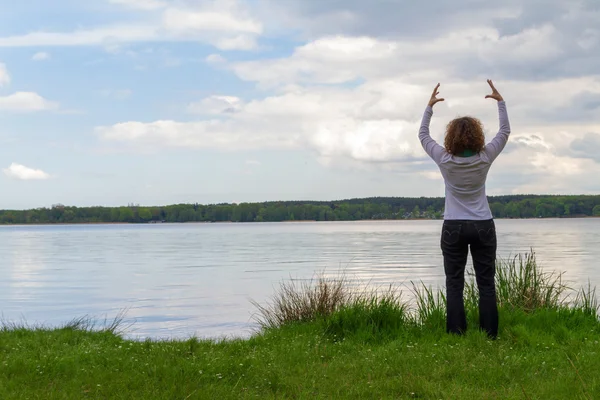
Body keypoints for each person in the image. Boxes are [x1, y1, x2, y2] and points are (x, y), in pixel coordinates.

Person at [418, 80, 510, 339]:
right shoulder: (485, 157)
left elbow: (423, 136)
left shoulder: (444, 159)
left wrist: (429, 107)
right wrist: (500, 103)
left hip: (453, 226)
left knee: (454, 284)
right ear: (478, 136)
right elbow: (504, 132)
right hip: (482, 224)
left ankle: (456, 335)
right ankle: (490, 336)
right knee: (486, 284)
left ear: (451, 138)